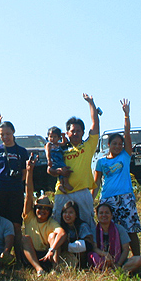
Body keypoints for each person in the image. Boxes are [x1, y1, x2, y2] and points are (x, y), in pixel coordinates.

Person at [93, 99, 141, 256]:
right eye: (114, 143)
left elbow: (127, 135)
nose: (118, 146)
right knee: (110, 230)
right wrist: (91, 199)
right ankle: (113, 258)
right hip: (108, 198)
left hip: (126, 197)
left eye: (120, 144)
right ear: (108, 145)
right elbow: (96, 182)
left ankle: (137, 258)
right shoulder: (101, 162)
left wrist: (126, 115)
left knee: (130, 229)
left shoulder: (125, 156)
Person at [49, 94, 101, 231]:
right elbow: (50, 170)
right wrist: (59, 171)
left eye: (78, 131)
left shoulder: (88, 146)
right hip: (62, 192)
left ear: (83, 132)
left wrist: (91, 103)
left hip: (82, 192)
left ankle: (89, 245)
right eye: (72, 131)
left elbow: (95, 124)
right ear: (67, 133)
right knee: (59, 225)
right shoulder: (60, 149)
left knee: (87, 224)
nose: (76, 133)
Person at [0, 120, 29, 262]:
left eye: (8, 134)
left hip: (15, 191)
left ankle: (19, 258)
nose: (5, 137)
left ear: (13, 132)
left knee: (16, 224)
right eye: (2, 135)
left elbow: (24, 173)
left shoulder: (22, 151)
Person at [20, 154, 64, 274]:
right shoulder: (29, 217)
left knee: (54, 236)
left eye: (46, 208)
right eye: (39, 207)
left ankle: (55, 267)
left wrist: (52, 249)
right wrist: (29, 171)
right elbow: (29, 194)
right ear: (35, 209)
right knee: (25, 238)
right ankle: (38, 269)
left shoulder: (51, 222)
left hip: (48, 254)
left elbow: (62, 233)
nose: (42, 211)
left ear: (50, 211)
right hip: (31, 256)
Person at [90, 202, 141, 274]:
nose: (104, 215)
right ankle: (107, 271)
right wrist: (105, 254)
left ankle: (118, 271)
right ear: (97, 215)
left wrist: (118, 264)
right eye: (101, 213)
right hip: (103, 260)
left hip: (119, 261)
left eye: (107, 213)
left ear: (111, 215)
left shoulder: (119, 229)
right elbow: (94, 248)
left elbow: (126, 249)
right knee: (94, 256)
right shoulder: (94, 231)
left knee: (139, 259)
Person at [56, 200, 94, 269]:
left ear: (76, 215)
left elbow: (89, 245)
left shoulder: (83, 227)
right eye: (65, 212)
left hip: (82, 261)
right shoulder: (60, 228)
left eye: (70, 213)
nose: (67, 215)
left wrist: (68, 246)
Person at [45, 127, 70, 193]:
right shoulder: (49, 145)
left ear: (59, 138)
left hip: (60, 160)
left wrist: (63, 136)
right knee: (61, 170)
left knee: (64, 170)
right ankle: (64, 184)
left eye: (55, 137)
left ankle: (63, 184)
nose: (52, 139)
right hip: (54, 161)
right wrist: (49, 160)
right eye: (51, 136)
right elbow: (48, 153)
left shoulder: (58, 144)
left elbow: (64, 143)